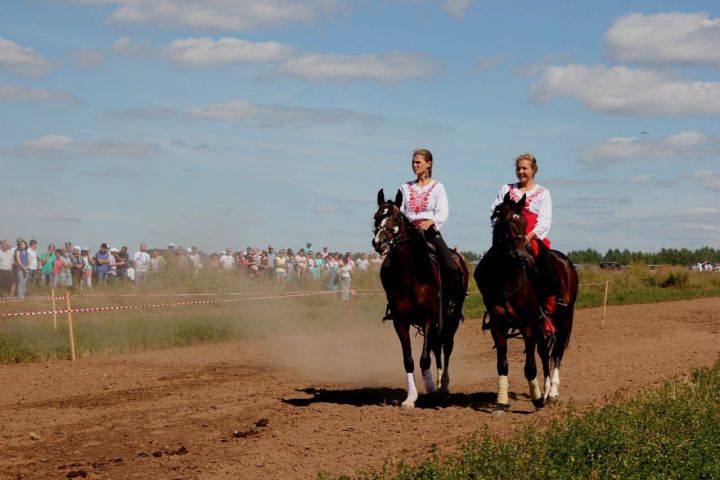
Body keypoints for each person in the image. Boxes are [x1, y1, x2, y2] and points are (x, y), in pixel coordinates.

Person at [490, 152, 557, 336]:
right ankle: (492, 307)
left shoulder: (543, 193)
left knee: (547, 269)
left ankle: (548, 313)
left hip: (532, 237)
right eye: (518, 168)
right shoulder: (506, 189)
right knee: (484, 269)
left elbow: (545, 221)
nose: (520, 171)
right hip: (508, 237)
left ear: (533, 170)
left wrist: (528, 236)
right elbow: (494, 212)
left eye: (524, 168)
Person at [399, 148, 463, 317]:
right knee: (391, 265)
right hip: (409, 234)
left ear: (428, 164)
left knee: (450, 266)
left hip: (430, 232)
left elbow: (443, 212)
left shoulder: (437, 187)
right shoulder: (405, 187)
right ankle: (395, 302)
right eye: (413, 162)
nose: (414, 165)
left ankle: (451, 301)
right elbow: (400, 212)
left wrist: (431, 221)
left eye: (418, 162)